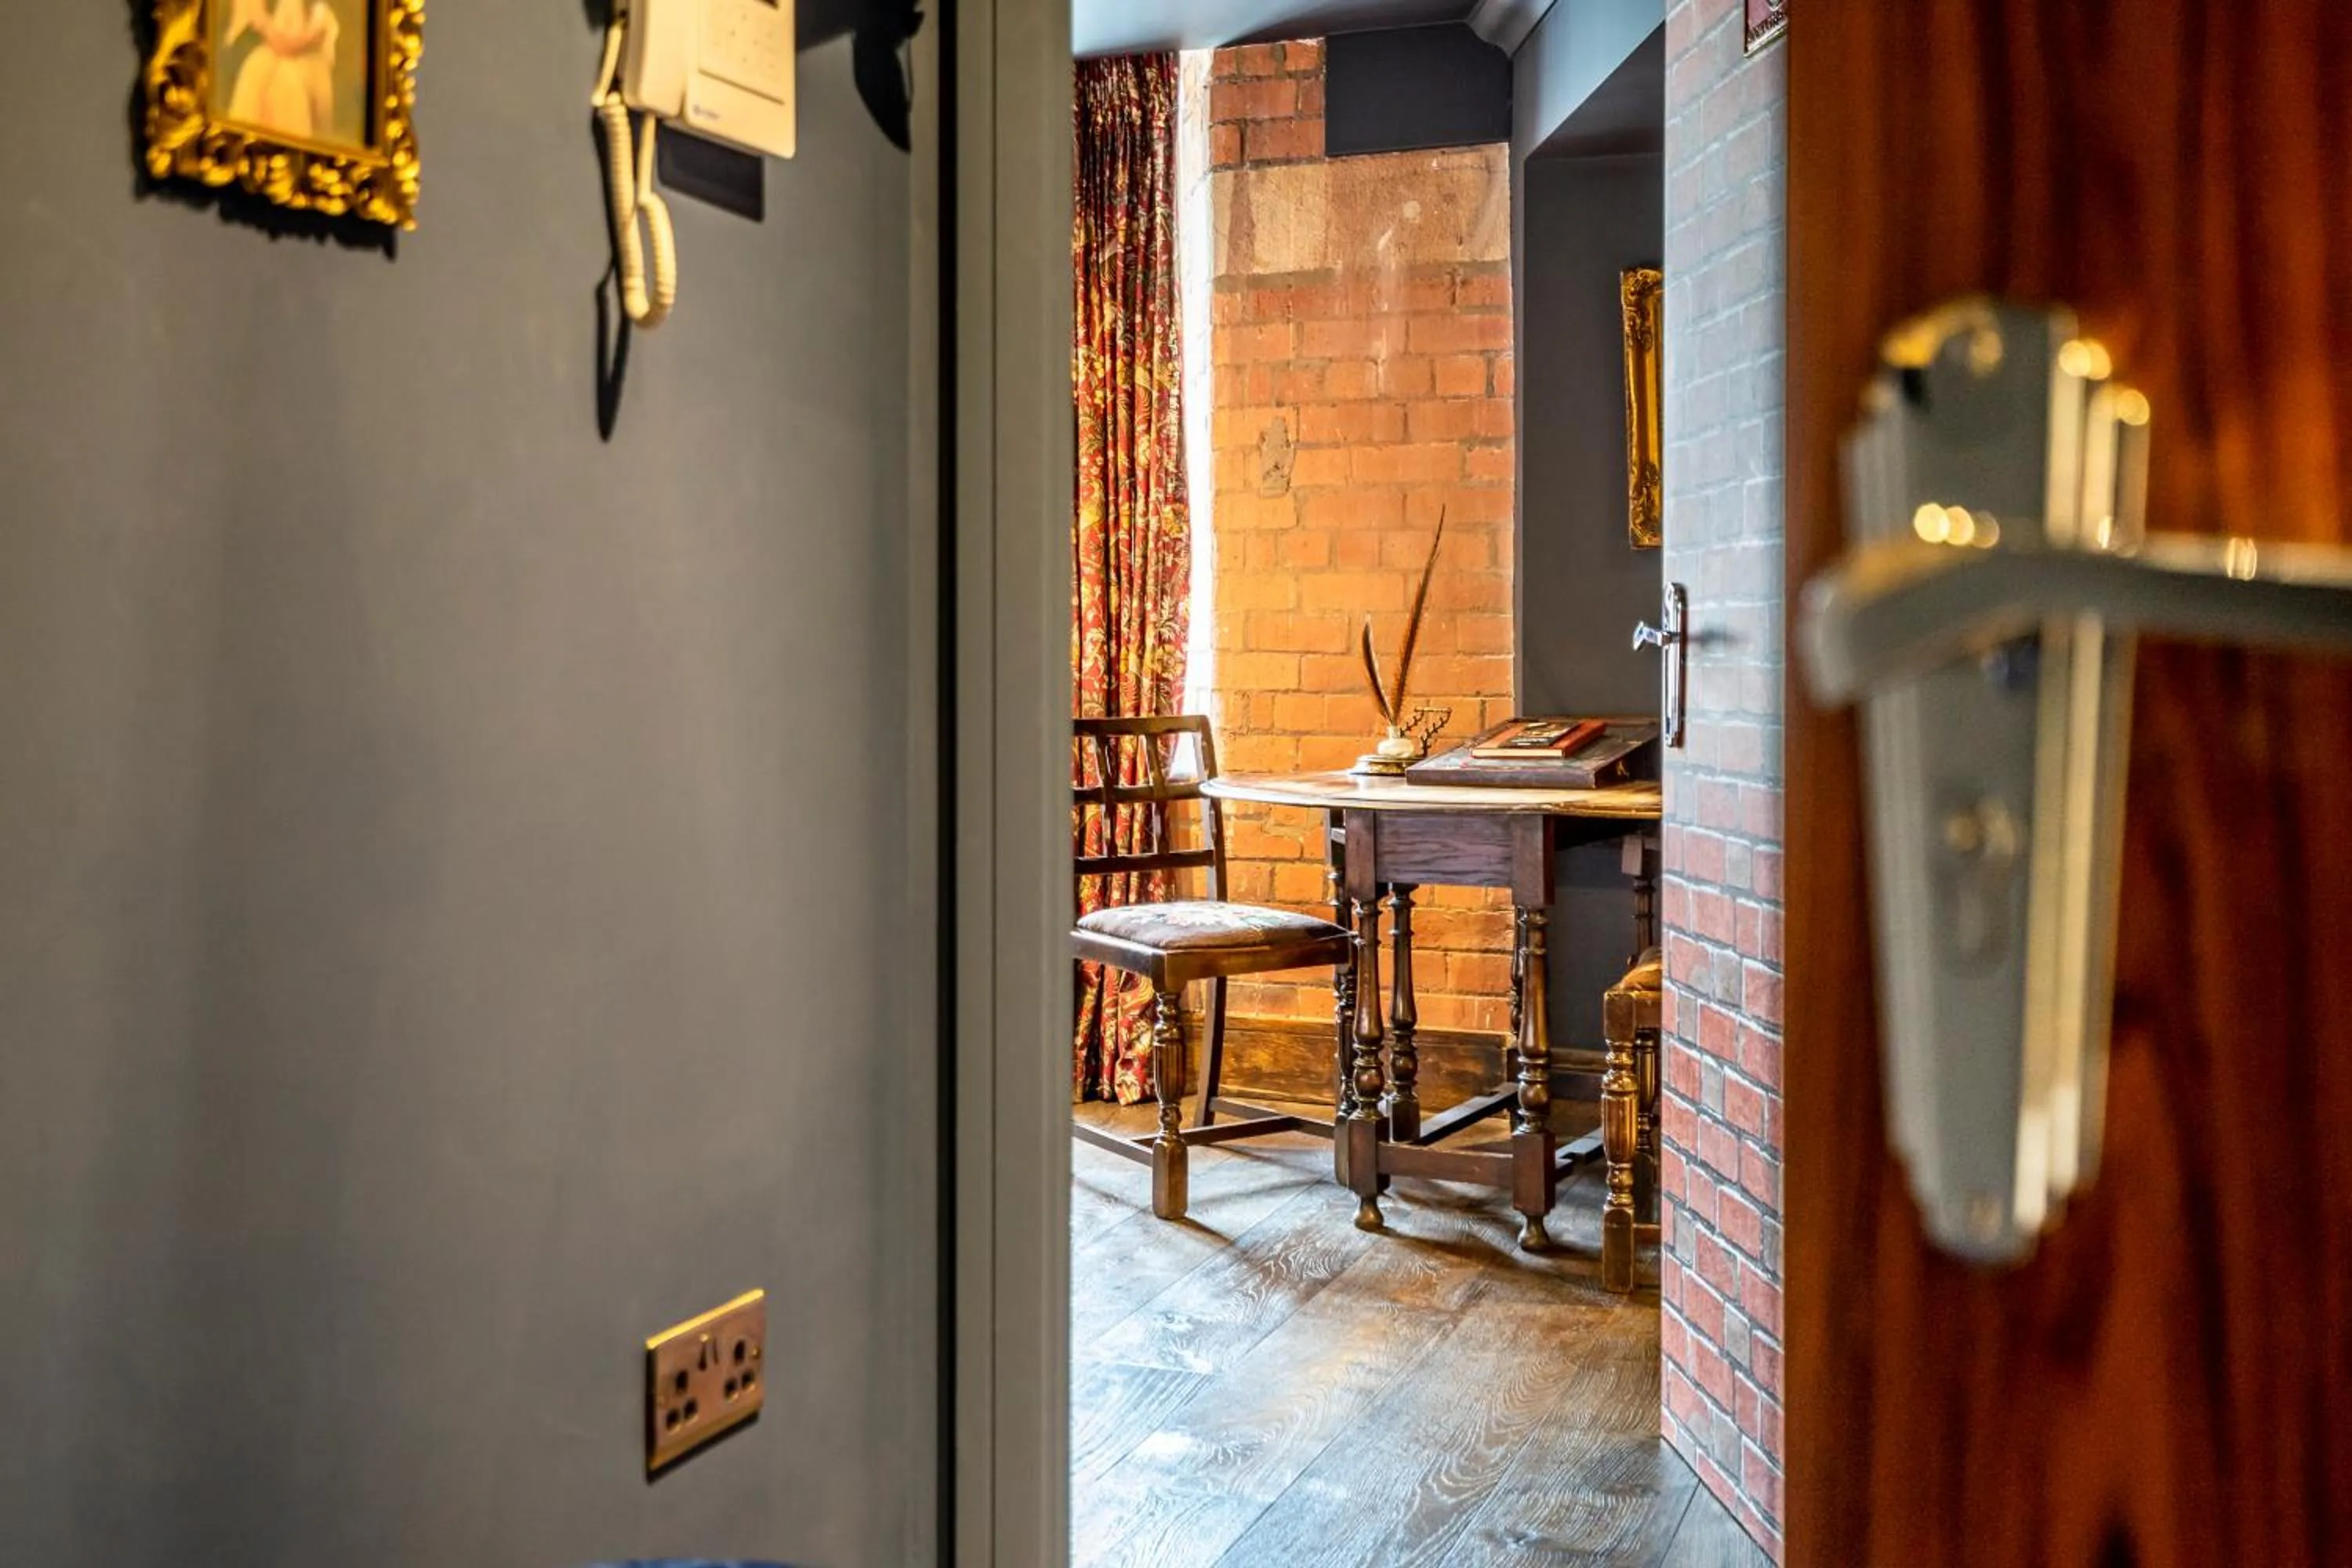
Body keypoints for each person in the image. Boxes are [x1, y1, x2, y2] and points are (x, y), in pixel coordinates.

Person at [223, 0, 339, 141]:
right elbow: (278, 42)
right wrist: (304, 40)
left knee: (298, 76)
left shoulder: (318, 9)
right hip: (256, 50)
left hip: (294, 56)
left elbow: (318, 33)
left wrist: (311, 36)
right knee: (280, 78)